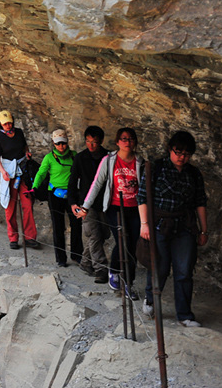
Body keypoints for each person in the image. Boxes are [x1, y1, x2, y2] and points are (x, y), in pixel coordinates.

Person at [138, 131, 208, 327]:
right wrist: (144, 225)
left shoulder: (193, 174)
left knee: (184, 270)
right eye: (178, 152)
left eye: (186, 153)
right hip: (159, 224)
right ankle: (151, 300)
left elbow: (200, 202)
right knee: (159, 267)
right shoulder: (156, 168)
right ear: (170, 149)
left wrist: (204, 230)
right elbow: (142, 197)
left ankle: (184, 314)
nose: (182, 157)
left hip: (185, 226)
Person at [78, 127, 146, 299]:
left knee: (132, 245)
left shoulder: (140, 162)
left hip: (134, 208)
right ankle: (115, 272)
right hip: (115, 207)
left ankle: (127, 284)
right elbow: (97, 183)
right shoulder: (109, 160)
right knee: (123, 240)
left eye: (130, 139)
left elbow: (145, 189)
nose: (127, 142)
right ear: (117, 142)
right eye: (123, 139)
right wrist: (85, 206)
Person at [69, 125, 110, 283]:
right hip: (86, 203)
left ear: (101, 141)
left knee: (103, 234)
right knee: (94, 235)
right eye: (88, 141)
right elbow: (72, 181)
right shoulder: (80, 158)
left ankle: (85, 262)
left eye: (95, 142)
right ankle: (101, 269)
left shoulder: (108, 157)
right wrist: (73, 202)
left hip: (105, 202)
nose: (91, 145)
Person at [33, 129, 81, 268]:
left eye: (64, 143)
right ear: (53, 143)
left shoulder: (74, 156)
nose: (61, 147)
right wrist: (34, 187)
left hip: (72, 195)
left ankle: (77, 255)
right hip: (55, 195)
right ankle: (61, 258)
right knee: (58, 226)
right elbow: (41, 173)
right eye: (58, 144)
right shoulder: (49, 158)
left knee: (76, 225)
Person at [0, 110, 39, 250]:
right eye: (5, 123)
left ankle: (30, 237)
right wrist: (3, 172)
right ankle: (13, 238)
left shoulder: (18, 132)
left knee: (27, 203)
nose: (8, 125)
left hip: (22, 172)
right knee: (10, 207)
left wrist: (27, 153)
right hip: (9, 173)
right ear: (0, 124)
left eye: (9, 123)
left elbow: (24, 146)